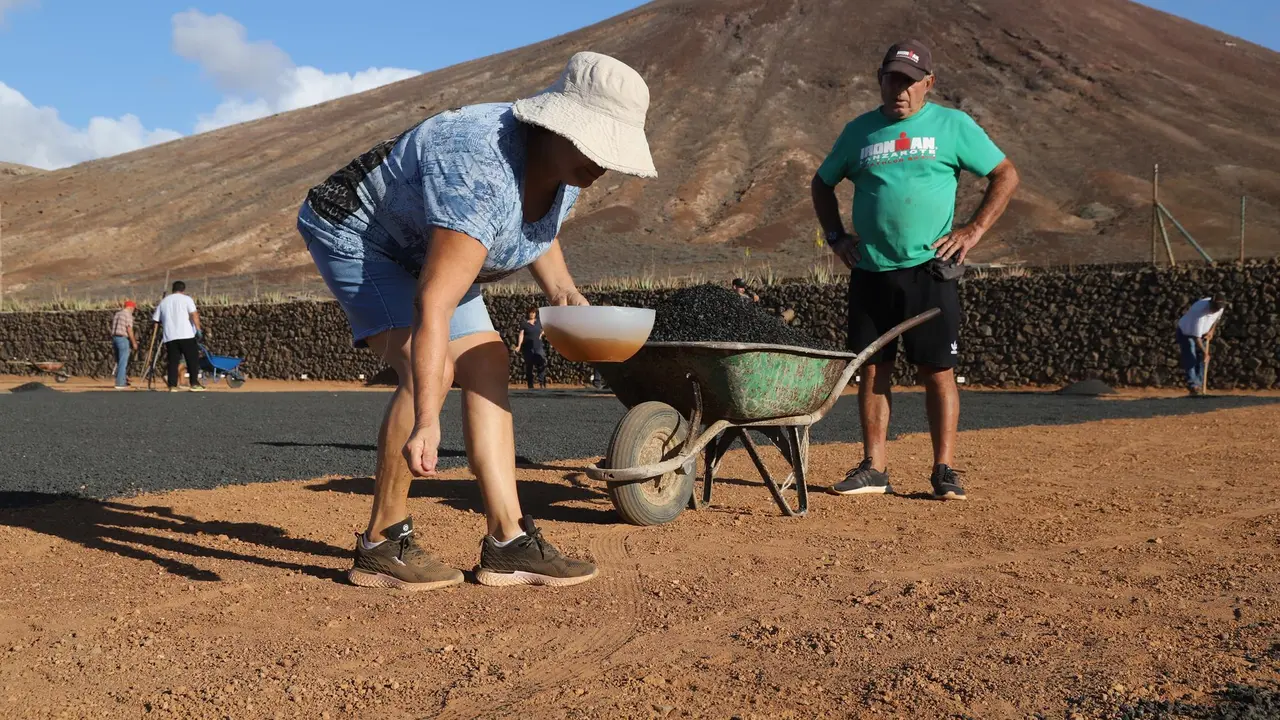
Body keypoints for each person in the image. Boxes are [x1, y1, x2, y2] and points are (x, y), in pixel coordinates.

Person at [296, 52, 656, 590]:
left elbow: (537, 224)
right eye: (594, 140)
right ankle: (382, 542)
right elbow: (433, 303)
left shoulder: (568, 167)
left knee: (489, 358)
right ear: (555, 123)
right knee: (432, 369)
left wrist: (563, 291)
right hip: (360, 235)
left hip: (428, 245)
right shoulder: (478, 164)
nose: (602, 161)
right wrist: (426, 419)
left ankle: (509, 543)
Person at [811, 39, 1020, 501]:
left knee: (937, 370)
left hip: (930, 269)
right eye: (892, 78)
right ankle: (875, 468)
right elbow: (822, 183)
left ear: (929, 83)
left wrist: (974, 229)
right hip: (871, 269)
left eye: (909, 80)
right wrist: (835, 236)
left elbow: (1005, 174)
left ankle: (944, 469)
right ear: (880, 79)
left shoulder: (952, 125)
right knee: (872, 370)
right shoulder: (858, 132)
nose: (900, 89)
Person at [152, 281, 205, 392]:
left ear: (173, 289)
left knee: (173, 361)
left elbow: (156, 319)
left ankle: (172, 385)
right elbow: (194, 314)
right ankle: (194, 383)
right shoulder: (187, 299)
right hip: (186, 334)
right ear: (183, 289)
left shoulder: (164, 301)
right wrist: (198, 329)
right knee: (192, 360)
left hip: (170, 336)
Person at [1176, 297, 1225, 396]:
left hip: (1203, 333)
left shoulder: (1220, 307)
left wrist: (1211, 331)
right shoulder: (1199, 312)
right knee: (1191, 355)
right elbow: (1196, 338)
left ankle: (1199, 384)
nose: (1214, 311)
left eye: (1216, 310)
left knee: (1203, 359)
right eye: (1213, 309)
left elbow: (1216, 319)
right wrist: (1206, 353)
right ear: (1210, 305)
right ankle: (1193, 385)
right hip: (1186, 332)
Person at [516, 308, 548, 389]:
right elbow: (521, 335)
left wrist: (542, 333)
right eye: (530, 313)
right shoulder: (524, 324)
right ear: (528, 314)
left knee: (541, 365)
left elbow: (546, 329)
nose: (532, 314)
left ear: (535, 313)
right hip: (528, 348)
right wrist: (519, 345)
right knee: (529, 366)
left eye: (533, 313)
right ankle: (530, 385)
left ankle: (542, 384)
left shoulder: (539, 322)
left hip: (538, 347)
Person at [110, 300, 138, 389]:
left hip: (115, 338)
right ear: (131, 307)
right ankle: (120, 383)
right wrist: (134, 342)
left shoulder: (117, 314)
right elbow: (129, 329)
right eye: (134, 308)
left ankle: (122, 379)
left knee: (119, 361)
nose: (134, 310)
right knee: (123, 361)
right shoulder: (128, 315)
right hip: (122, 338)